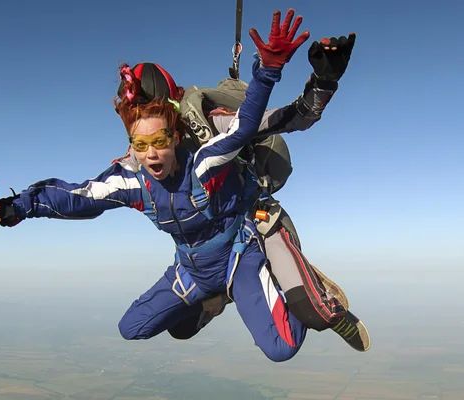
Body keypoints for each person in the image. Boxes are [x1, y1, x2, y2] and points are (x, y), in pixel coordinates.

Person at [0, 8, 327, 363]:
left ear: (173, 133)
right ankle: (216, 301)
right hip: (192, 269)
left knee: (282, 347)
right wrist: (12, 208)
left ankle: (283, 280)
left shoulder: (203, 162)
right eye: (140, 145)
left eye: (159, 141)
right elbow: (75, 197)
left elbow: (245, 126)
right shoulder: (132, 179)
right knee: (133, 327)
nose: (151, 154)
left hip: (238, 255)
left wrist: (267, 72)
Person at [110, 33, 369, 351]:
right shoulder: (142, 153)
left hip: (255, 224)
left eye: (152, 112)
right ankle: (221, 295)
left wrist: (323, 81)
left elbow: (292, 117)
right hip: (214, 251)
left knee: (313, 316)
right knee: (181, 327)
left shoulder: (211, 124)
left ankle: (323, 305)